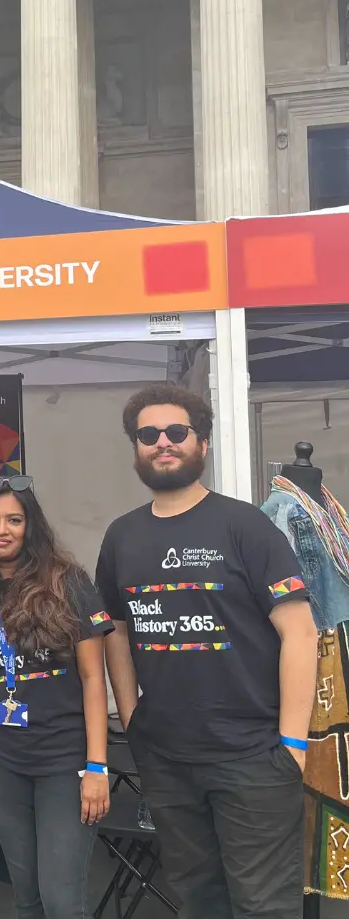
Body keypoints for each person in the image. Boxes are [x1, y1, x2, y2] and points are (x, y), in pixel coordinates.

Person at [96, 384, 318, 919]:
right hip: (168, 760)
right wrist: (132, 716)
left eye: (177, 432)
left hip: (253, 757)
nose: (163, 443)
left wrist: (292, 744)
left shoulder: (246, 525)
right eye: (148, 435)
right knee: (197, 899)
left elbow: (301, 632)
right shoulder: (121, 537)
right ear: (136, 448)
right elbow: (116, 631)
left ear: (203, 443)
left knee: (263, 907)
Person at [0, 475, 112, 919]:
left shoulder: (67, 583)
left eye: (15, 520)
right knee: (26, 897)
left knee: (61, 901)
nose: (3, 529)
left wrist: (97, 765)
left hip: (64, 761)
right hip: (2, 764)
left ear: (31, 526)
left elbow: (94, 679)